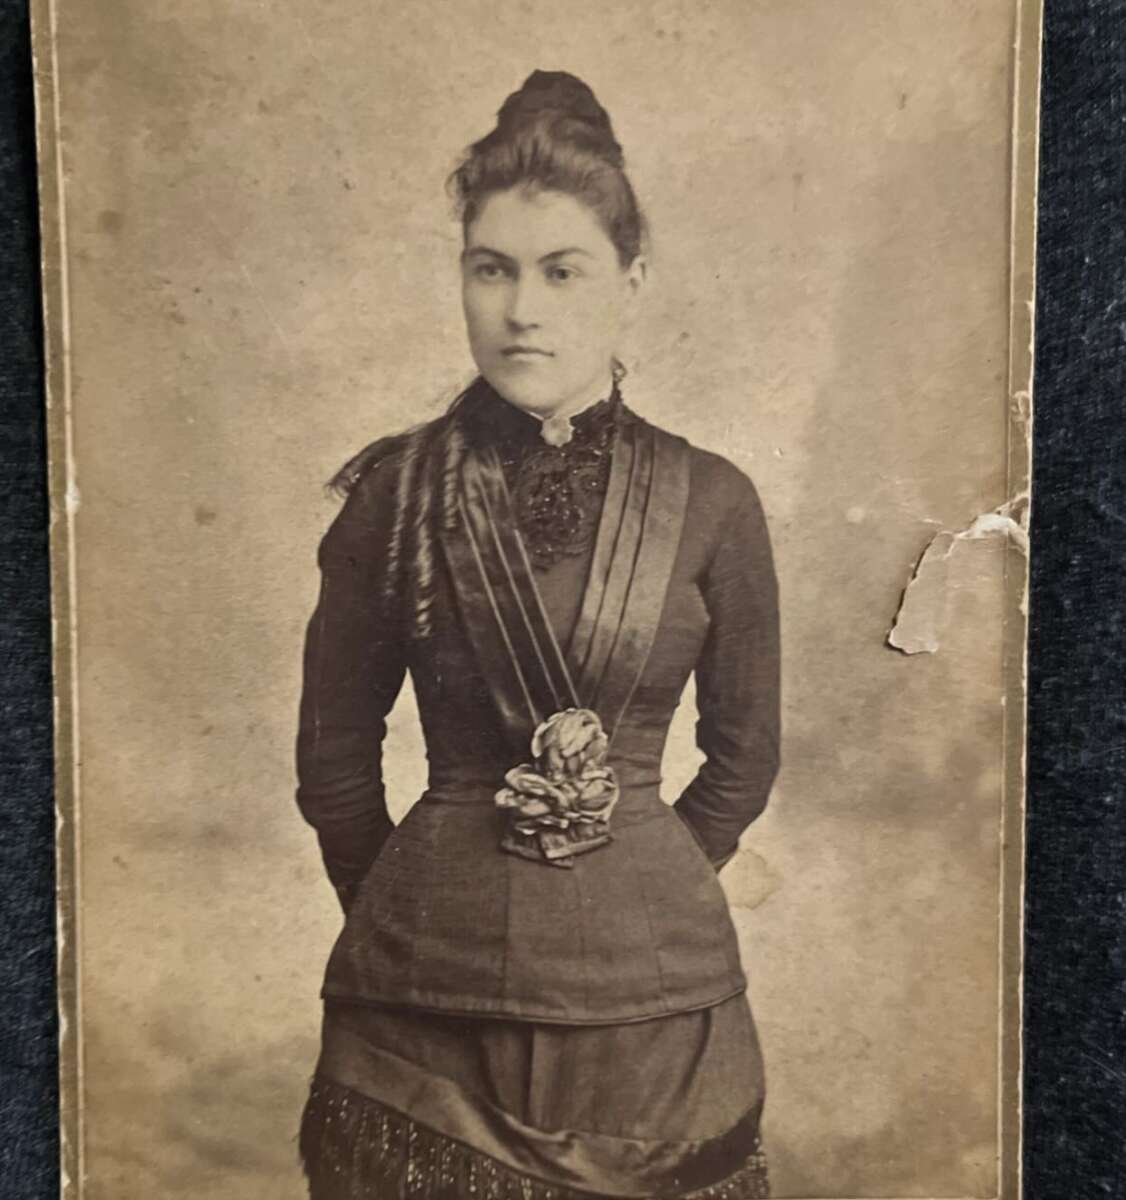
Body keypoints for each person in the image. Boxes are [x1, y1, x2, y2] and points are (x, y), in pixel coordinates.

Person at [295, 68, 780, 1200]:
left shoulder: (713, 499)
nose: (523, 310)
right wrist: (415, 903)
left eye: (563, 271)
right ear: (462, 278)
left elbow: (744, 758)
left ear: (630, 280)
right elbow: (332, 763)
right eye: (491, 269)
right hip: (419, 1011)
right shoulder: (395, 493)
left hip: (657, 1018)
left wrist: (641, 879)